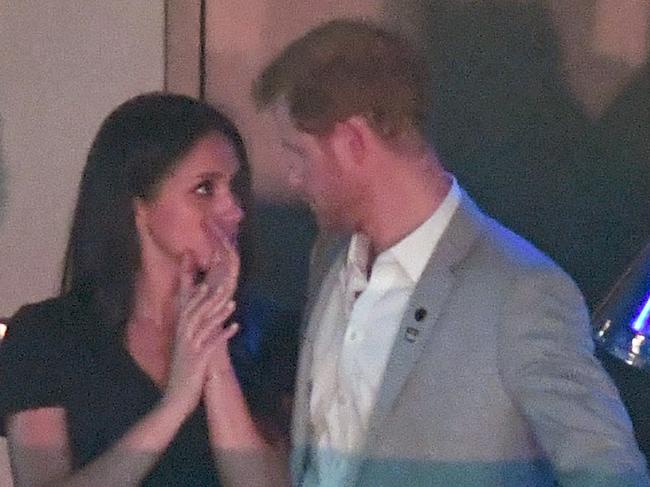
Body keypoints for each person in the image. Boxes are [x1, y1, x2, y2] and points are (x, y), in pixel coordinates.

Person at [252, 19, 649, 486]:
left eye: (298, 153)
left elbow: (609, 474)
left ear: (352, 141)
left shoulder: (522, 293)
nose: (294, 178)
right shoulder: (329, 259)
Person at [0, 93, 288, 486]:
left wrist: (213, 352)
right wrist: (175, 404)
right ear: (139, 204)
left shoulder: (267, 333)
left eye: (234, 188)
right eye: (205, 188)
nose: (234, 210)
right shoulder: (46, 337)